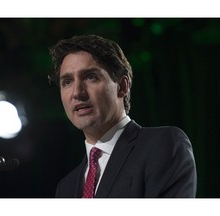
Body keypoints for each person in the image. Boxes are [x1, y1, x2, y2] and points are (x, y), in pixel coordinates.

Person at [48, 34, 197, 198]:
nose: (77, 92)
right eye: (67, 82)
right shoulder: (66, 187)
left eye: (90, 77)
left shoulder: (162, 145)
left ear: (122, 86)